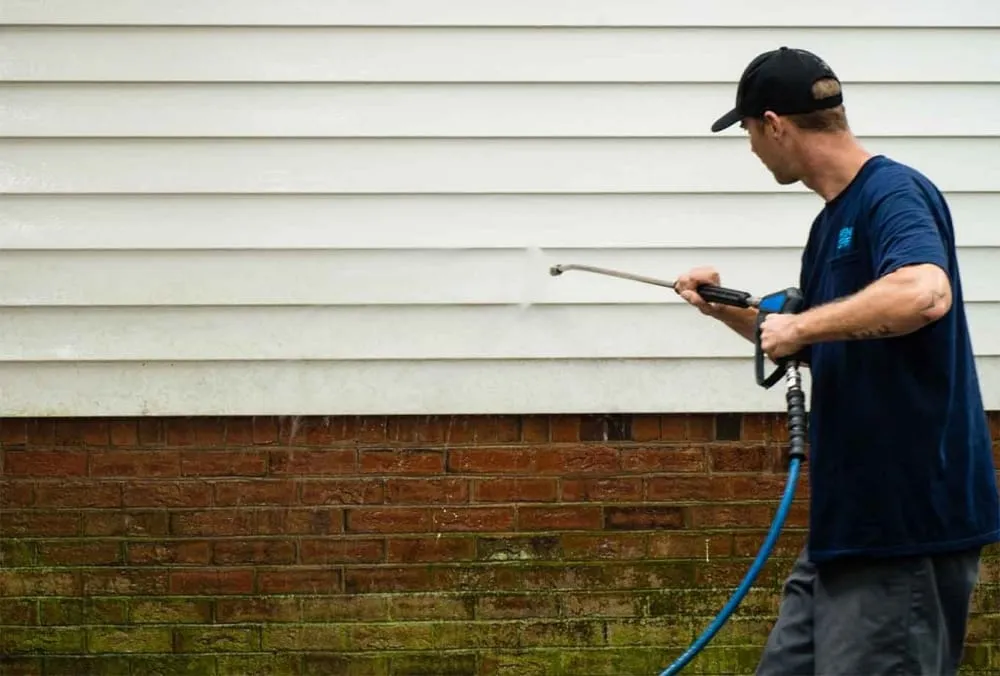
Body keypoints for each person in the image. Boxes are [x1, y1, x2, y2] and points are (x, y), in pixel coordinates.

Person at [675, 46, 1000, 675]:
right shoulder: (831, 225)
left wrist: (799, 324)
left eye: (748, 132)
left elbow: (923, 294)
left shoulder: (892, 194)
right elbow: (816, 335)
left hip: (904, 529)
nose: (751, 149)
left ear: (775, 125)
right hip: (846, 528)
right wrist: (724, 309)